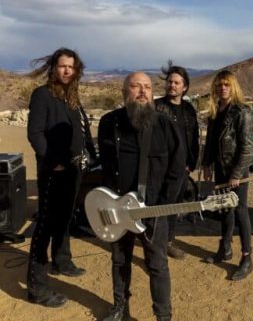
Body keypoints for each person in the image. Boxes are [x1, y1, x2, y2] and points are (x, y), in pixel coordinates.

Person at [98, 72, 185, 321]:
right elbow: (105, 165)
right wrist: (109, 200)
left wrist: (164, 205)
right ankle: (120, 308)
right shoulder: (109, 122)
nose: (143, 91)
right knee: (119, 260)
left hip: (153, 210)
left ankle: (163, 315)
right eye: (136, 86)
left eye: (147, 86)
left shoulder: (164, 124)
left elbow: (178, 168)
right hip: (118, 209)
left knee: (157, 264)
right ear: (125, 92)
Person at [26, 48, 96, 307]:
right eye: (62, 66)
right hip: (53, 171)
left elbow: (82, 129)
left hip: (74, 169)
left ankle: (62, 261)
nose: (67, 70)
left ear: (76, 70)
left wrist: (91, 154)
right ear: (53, 68)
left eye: (71, 66)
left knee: (66, 216)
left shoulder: (72, 96)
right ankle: (36, 287)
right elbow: (35, 133)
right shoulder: (42, 95)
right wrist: (51, 162)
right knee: (45, 224)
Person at [202, 70, 253, 281]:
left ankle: (247, 258)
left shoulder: (243, 112)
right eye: (219, 85)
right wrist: (206, 164)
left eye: (226, 85)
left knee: (240, 211)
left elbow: (247, 148)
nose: (222, 88)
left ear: (233, 87)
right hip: (221, 169)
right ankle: (224, 249)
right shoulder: (216, 111)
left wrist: (236, 173)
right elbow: (211, 142)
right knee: (225, 209)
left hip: (236, 172)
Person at [155, 63, 199, 259]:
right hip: (160, 169)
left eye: (176, 83)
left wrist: (191, 163)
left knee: (173, 207)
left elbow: (194, 138)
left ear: (185, 87)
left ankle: (168, 242)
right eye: (170, 82)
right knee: (158, 206)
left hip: (182, 168)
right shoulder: (157, 107)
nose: (172, 85)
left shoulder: (189, 110)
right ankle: (156, 243)